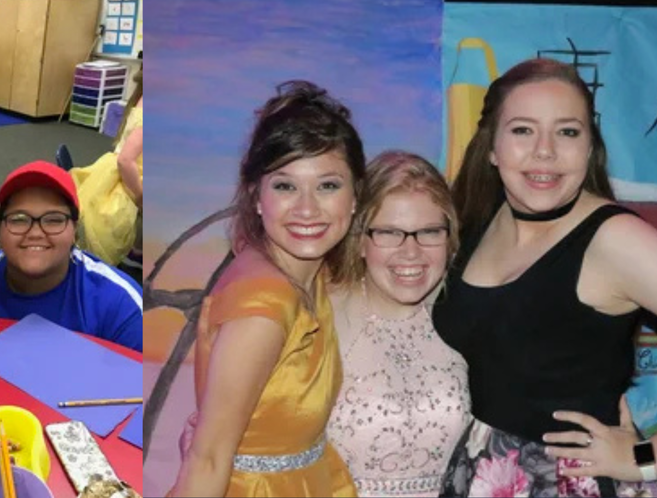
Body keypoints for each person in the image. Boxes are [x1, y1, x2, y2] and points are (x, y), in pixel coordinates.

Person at [433, 57, 657, 497]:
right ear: (492, 147)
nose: (545, 151)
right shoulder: (481, 219)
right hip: (483, 474)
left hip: (572, 484)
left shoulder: (615, 239)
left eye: (568, 132)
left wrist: (645, 459)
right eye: (522, 130)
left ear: (591, 147)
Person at [168, 80, 365, 497]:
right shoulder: (265, 304)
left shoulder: (305, 274)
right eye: (285, 186)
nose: (307, 208)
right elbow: (209, 458)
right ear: (257, 197)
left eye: (327, 185)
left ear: (355, 197)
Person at [325, 151, 471, 497]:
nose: (411, 252)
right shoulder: (316, 318)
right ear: (360, 239)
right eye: (390, 233)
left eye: (429, 231)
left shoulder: (468, 314)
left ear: (449, 238)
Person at [0, 161, 142, 352]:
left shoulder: (120, 303)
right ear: (0, 230)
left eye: (54, 220)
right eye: (19, 219)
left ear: (74, 230)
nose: (35, 232)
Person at [70, 70, 143, 268]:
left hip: (118, 166)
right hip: (126, 173)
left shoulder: (140, 97)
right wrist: (139, 196)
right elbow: (126, 161)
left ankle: (137, 248)